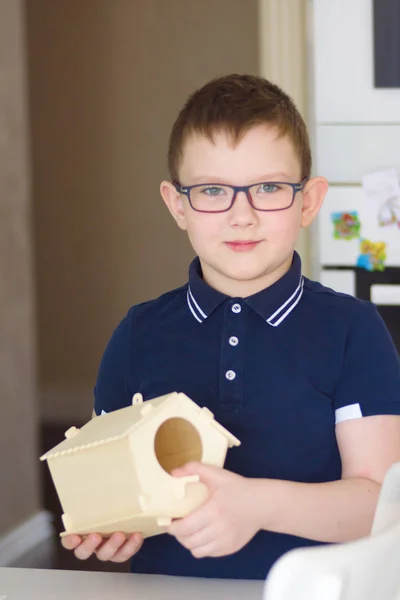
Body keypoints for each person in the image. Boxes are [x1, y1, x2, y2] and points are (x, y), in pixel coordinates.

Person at [62, 74, 400, 579]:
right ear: (178, 205)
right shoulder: (138, 335)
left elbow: (381, 507)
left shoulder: (353, 331)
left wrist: (257, 505)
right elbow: (114, 487)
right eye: (213, 190)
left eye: (268, 187)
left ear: (308, 201)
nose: (241, 215)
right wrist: (113, 527)